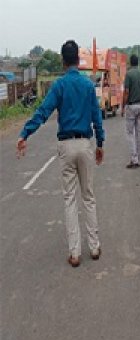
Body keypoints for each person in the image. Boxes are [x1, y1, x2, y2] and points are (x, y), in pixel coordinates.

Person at [17, 39, 104, 268]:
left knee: (70, 199)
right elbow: (97, 116)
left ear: (63, 61)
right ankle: (94, 247)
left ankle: (75, 252)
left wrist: (25, 133)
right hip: (85, 143)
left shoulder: (59, 85)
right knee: (89, 196)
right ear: (78, 59)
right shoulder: (87, 86)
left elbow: (43, 112)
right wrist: (101, 143)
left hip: (66, 145)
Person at [122, 54, 140, 168]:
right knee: (139, 132)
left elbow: (126, 92)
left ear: (130, 63)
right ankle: (138, 157)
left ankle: (134, 158)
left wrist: (123, 106)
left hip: (131, 106)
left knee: (130, 133)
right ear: (138, 62)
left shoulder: (128, 74)